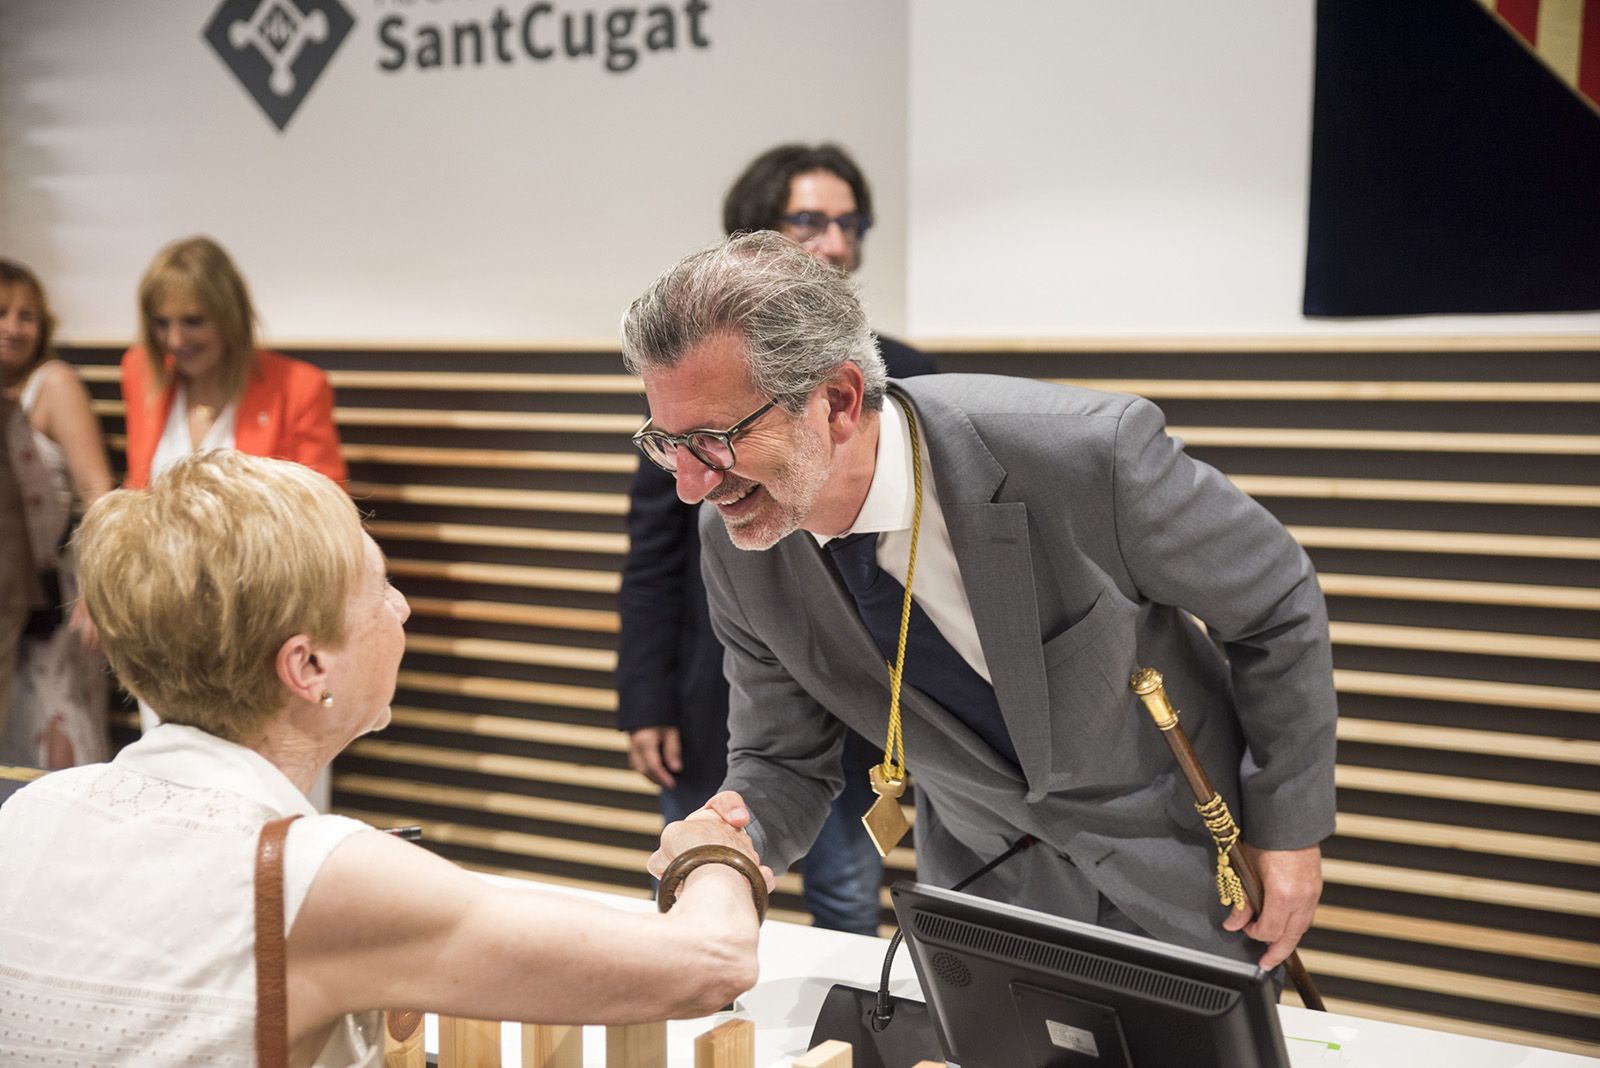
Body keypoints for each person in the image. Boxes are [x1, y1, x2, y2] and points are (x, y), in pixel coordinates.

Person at [627, 233, 1337, 972]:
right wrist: (728, 846)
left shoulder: (1086, 457)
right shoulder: (736, 547)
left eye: (712, 439)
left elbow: (1274, 603)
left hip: (1187, 878)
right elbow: (782, 759)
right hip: (986, 898)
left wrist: (1289, 828)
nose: (689, 484)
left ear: (836, 401)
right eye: (666, 442)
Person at [0, 451, 764, 1066]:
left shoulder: (32, 811)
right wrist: (714, 853)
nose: (400, 608)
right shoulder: (319, 874)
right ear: (308, 668)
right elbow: (708, 961)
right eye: (378, 585)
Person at [618, 143, 933, 935]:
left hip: (868, 696)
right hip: (722, 689)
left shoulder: (915, 374)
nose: (833, 241)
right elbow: (654, 560)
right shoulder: (689, 385)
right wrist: (644, 697)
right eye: (808, 221)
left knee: (848, 900)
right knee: (711, 890)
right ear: (752, 240)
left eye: (847, 223)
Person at [119, 236, 347, 799]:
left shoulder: (297, 387)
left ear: (229, 314)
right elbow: (137, 490)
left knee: (277, 799)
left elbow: (329, 510)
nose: (175, 340)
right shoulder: (140, 375)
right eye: (161, 322)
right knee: (180, 794)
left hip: (267, 629)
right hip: (170, 631)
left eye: (193, 321)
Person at [0, 260, 115, 769]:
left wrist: (97, 587)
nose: (12, 327)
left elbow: (98, 491)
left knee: (54, 730)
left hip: (53, 597)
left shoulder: (52, 383)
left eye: (26, 315)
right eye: (1, 312)